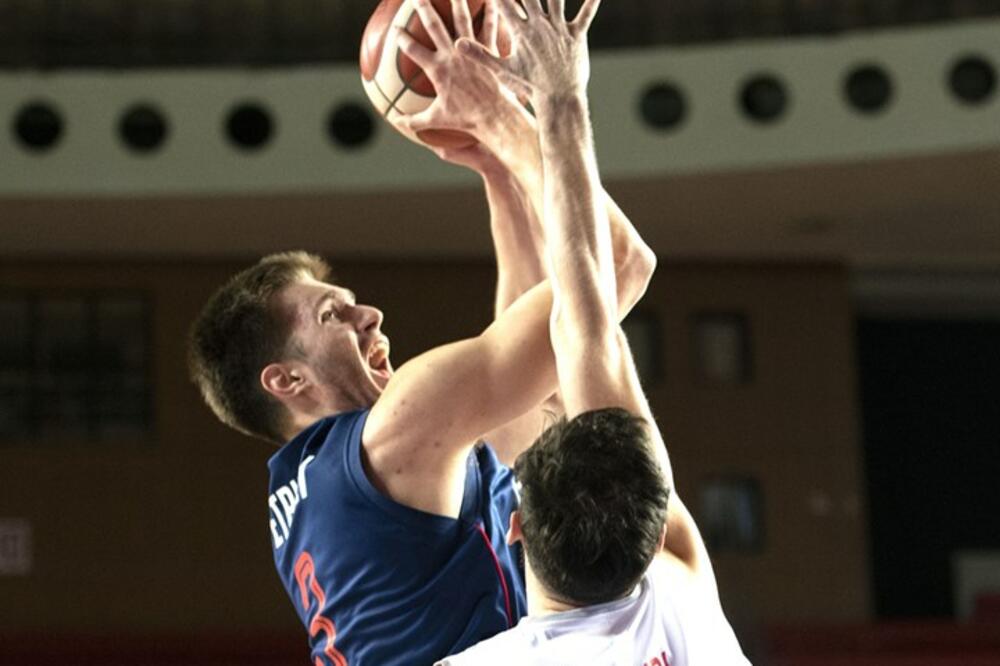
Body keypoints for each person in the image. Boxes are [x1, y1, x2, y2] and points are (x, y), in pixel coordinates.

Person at [187, 0, 655, 662]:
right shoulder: (395, 429)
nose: (368, 315)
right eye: (332, 315)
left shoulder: (340, 484)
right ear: (287, 379)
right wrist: (504, 117)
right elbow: (615, 268)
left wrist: (496, 168)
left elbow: (519, 383)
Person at [437, 0, 753, 663]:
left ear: (514, 528)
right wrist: (538, 111)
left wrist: (544, 106)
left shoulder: (678, 574)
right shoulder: (680, 596)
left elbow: (585, 326)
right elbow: (588, 322)